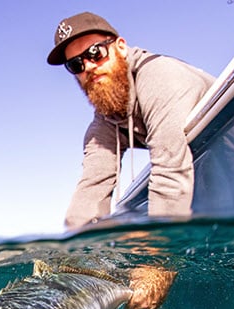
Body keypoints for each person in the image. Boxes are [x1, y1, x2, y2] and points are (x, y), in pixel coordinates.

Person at [47, 12, 215, 229]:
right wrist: (78, 247)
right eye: (75, 64)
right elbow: (90, 191)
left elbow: (169, 173)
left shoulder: (161, 77)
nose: (88, 66)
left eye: (95, 52)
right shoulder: (104, 123)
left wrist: (158, 247)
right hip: (205, 180)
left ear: (121, 47)